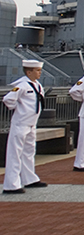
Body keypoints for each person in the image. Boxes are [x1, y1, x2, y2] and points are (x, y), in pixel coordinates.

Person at [3, 59, 47, 193]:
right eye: (37, 70)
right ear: (29, 72)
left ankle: (29, 179)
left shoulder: (37, 85)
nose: (40, 73)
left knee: (29, 151)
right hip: (21, 123)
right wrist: (19, 109)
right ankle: (11, 184)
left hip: (31, 123)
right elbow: (8, 99)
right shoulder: (22, 85)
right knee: (15, 154)